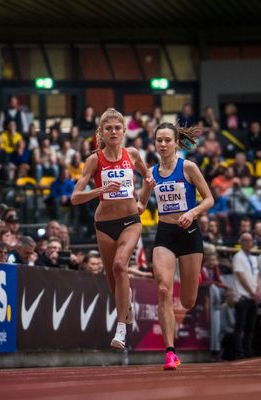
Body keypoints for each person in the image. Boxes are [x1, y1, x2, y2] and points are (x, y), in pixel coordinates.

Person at [71, 108, 155, 350]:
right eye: (109, 128)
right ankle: (126, 310)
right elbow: (75, 197)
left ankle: (120, 331)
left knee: (120, 265)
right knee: (112, 278)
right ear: (102, 132)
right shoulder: (94, 159)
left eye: (117, 127)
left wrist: (143, 201)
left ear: (124, 130)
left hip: (130, 220)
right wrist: (101, 191)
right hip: (104, 224)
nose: (114, 132)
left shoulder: (133, 154)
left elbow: (149, 178)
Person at [138, 122, 214, 370]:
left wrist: (192, 213)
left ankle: (195, 277)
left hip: (189, 233)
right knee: (163, 289)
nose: (162, 144)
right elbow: (141, 205)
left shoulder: (188, 167)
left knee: (189, 300)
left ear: (176, 142)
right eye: (159, 140)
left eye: (167, 140)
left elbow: (210, 199)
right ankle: (170, 352)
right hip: (166, 233)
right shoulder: (152, 172)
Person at [231, 233, 261, 359]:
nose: (249, 243)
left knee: (250, 327)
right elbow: (241, 276)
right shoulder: (238, 257)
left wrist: (258, 290)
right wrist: (252, 292)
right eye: (246, 241)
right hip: (242, 296)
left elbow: (258, 275)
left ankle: (248, 351)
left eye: (250, 241)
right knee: (240, 326)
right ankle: (239, 352)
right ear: (241, 242)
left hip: (253, 297)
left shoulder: (253, 258)